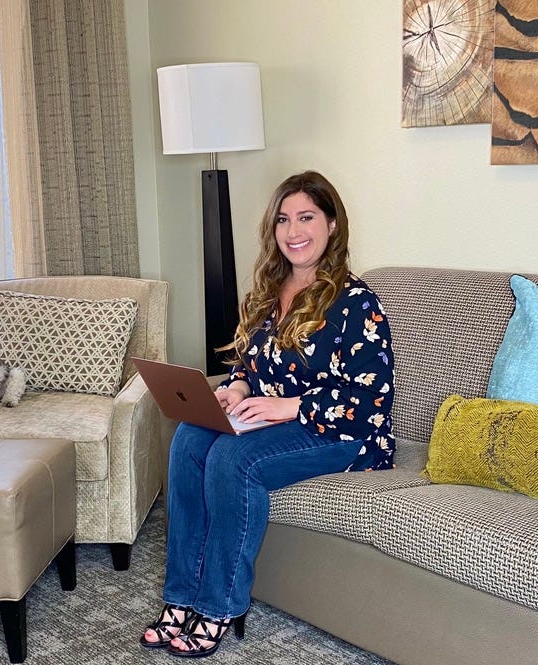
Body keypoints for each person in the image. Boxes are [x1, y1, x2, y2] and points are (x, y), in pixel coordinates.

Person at [140, 170, 396, 658]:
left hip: (342, 432)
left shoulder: (357, 302)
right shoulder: (267, 292)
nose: (293, 231)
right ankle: (180, 601)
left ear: (332, 225)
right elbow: (248, 362)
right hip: (272, 418)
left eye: (306, 217)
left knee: (233, 461)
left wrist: (290, 406)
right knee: (190, 440)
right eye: (284, 219)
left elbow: (370, 401)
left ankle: (218, 608)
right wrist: (236, 387)